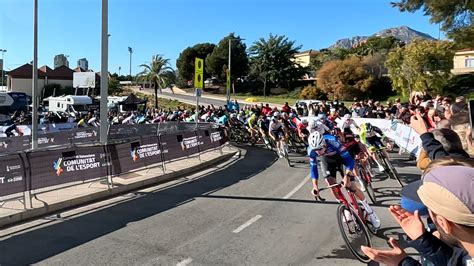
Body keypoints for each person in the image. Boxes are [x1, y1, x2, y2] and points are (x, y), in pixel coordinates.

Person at [361, 162, 474, 266]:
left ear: (443, 223)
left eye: (430, 209)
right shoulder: (466, 253)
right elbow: (452, 261)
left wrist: (402, 262)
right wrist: (422, 239)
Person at [307, 131, 381, 228]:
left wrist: (347, 176)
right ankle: (346, 207)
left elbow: (350, 162)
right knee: (330, 184)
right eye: (316, 150)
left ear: (324, 143)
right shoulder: (311, 151)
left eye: (320, 149)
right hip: (327, 160)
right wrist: (315, 186)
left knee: (349, 184)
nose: (318, 152)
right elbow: (313, 169)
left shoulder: (333, 142)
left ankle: (370, 211)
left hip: (341, 157)